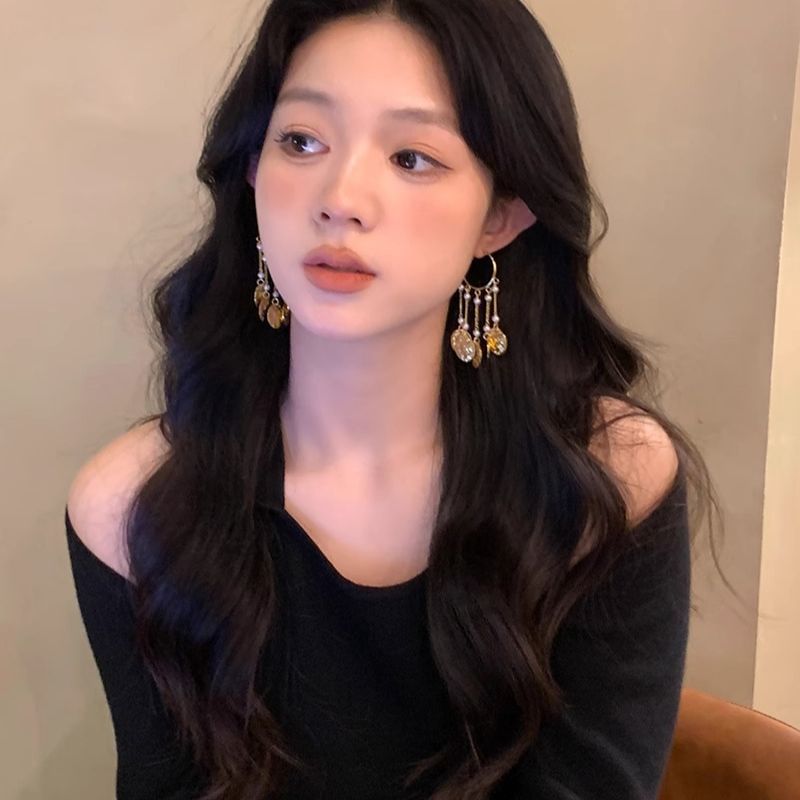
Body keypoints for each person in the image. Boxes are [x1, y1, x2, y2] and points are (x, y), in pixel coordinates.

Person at [65, 1, 725, 798]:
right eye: (301, 141)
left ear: (501, 213)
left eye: (412, 157)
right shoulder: (133, 509)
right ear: (252, 170)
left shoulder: (608, 481)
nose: (340, 198)